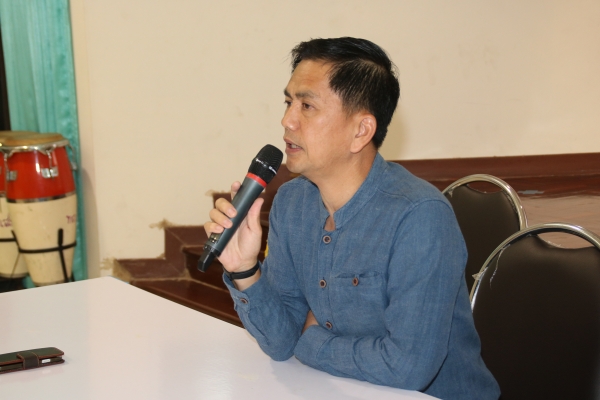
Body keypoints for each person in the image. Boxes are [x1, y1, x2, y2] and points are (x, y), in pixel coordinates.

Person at [205, 37, 500, 399]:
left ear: (361, 131)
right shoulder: (292, 203)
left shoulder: (419, 217)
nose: (287, 120)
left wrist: (311, 340)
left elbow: (407, 367)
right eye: (288, 102)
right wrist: (244, 269)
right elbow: (281, 343)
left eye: (307, 106)